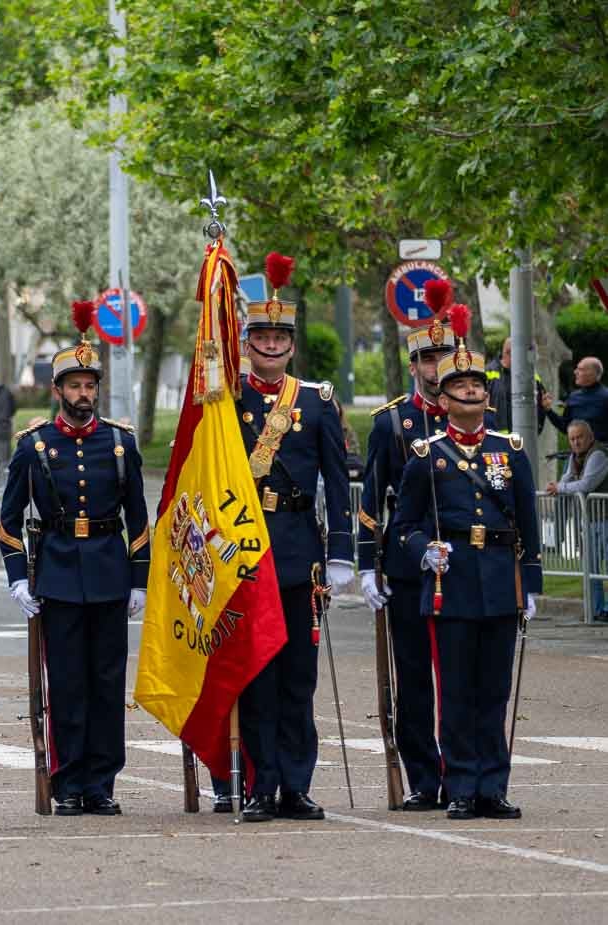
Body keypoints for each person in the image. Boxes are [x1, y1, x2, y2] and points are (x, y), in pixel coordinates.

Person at [0, 303, 150, 816]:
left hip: (108, 573)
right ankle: (67, 782)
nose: (84, 395)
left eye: (90, 386)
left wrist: (138, 581)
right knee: (65, 684)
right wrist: (18, 577)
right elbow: (9, 519)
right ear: (57, 391)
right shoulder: (35, 446)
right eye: (75, 386)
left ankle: (101, 782)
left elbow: (139, 520)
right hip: (58, 576)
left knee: (107, 685)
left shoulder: (121, 445)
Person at [390, 304, 541, 821]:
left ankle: (492, 787)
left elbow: (528, 521)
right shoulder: (425, 456)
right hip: (450, 584)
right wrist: (421, 549)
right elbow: (403, 525)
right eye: (462, 387)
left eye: (479, 385)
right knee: (455, 692)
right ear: (445, 399)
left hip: (499, 579)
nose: (473, 392)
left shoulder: (510, 451)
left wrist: (534, 582)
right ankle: (460, 786)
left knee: (494, 692)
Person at [217, 253, 353, 822]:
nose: (271, 346)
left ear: (292, 344)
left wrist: (342, 552)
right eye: (261, 337)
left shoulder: (316, 401)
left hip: (299, 551)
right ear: (247, 342)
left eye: (280, 338)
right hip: (247, 551)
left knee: (299, 677)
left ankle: (296, 785)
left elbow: (338, 483)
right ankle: (260, 785)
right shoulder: (224, 398)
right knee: (257, 677)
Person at [357, 306, 480, 811]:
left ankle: (463, 773)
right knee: (413, 677)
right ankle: (424, 779)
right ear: (414, 366)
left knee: (462, 673)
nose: (437, 367)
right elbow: (371, 498)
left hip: (466, 564)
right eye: (428, 359)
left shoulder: (479, 419)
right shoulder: (392, 423)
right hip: (410, 565)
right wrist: (367, 564)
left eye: (444, 355)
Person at [545, 419, 608, 620]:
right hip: (590, 520)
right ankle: (596, 611)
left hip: (604, 519)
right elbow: (568, 480)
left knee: (599, 570)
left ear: (589, 437)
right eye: (572, 439)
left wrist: (560, 488)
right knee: (590, 569)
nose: (575, 442)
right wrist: (560, 486)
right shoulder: (574, 457)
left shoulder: (598, 454)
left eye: (579, 437)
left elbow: (586, 484)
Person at [485, 338, 546, 434]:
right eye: (523, 355)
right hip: (497, 439)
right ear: (507, 353)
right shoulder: (488, 373)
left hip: (525, 437)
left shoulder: (531, 374)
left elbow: (542, 404)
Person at [543, 356, 608, 443]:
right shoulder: (573, 397)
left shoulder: (605, 397)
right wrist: (548, 410)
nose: (575, 372)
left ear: (593, 373)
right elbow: (565, 427)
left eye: (580, 369)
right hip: (577, 454)